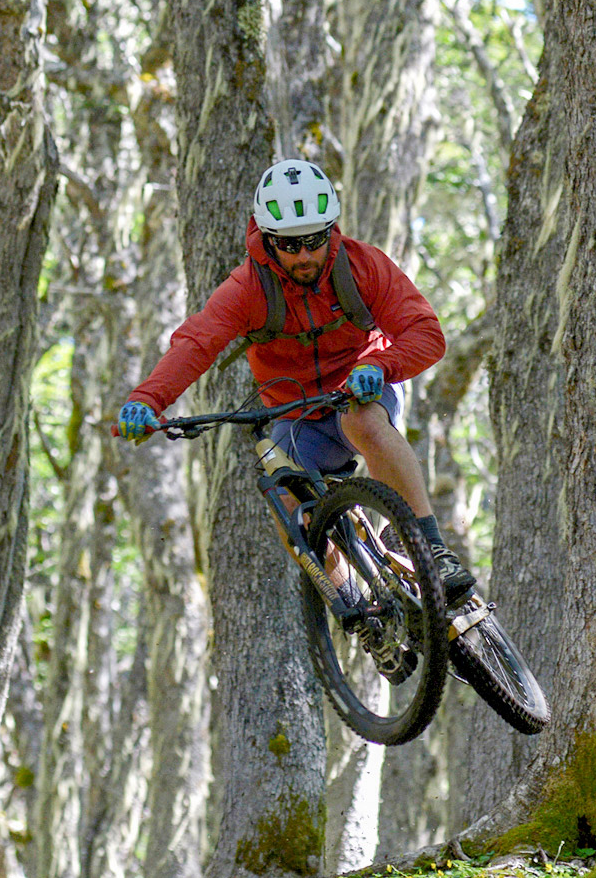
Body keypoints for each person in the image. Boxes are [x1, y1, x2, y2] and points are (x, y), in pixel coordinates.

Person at [115, 159, 475, 603]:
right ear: (267, 240)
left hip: (362, 386)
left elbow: (427, 334)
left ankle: (428, 549)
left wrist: (379, 367)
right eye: (289, 245)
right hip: (298, 414)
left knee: (363, 421)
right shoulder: (247, 288)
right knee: (289, 504)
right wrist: (147, 400)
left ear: (331, 230)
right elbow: (196, 344)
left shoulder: (363, 267)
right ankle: (355, 608)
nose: (304, 255)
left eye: (314, 240)